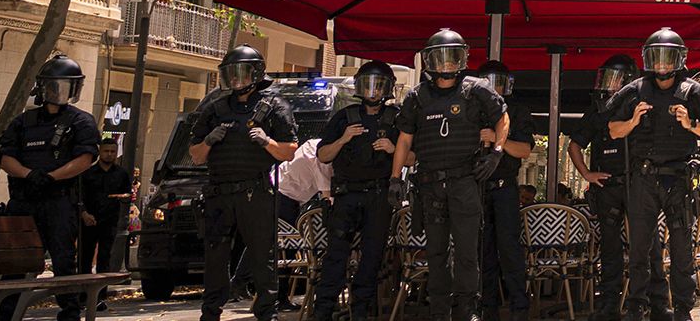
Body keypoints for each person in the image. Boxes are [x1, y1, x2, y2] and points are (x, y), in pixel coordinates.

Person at [606, 28, 700, 321]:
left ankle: (683, 308)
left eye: (666, 58)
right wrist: (633, 121)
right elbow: (612, 129)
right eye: (656, 58)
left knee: (682, 249)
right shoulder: (633, 91)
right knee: (640, 250)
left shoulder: (694, 91)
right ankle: (637, 306)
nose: (661, 65)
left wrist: (690, 123)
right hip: (643, 178)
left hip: (678, 178)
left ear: (678, 60)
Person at [393, 29, 509, 321]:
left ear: (463, 59)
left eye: (452, 57)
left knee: (468, 252)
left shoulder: (476, 89)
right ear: (429, 61)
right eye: (440, 58)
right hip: (429, 185)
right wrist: (395, 178)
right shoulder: (416, 97)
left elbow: (502, 118)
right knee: (436, 254)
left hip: (464, 182)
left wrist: (496, 152)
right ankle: (439, 312)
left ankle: (467, 310)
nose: (446, 65)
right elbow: (404, 140)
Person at [185, 46, 297, 321]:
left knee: (262, 257)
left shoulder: (274, 105)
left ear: (256, 74)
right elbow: (196, 155)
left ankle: (266, 312)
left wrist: (266, 141)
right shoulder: (215, 107)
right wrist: (210, 140)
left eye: (242, 73)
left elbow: (289, 150)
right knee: (215, 258)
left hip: (255, 192)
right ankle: (210, 312)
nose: (236, 80)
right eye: (231, 74)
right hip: (219, 193)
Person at [0, 55, 100, 321]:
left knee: (64, 262)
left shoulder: (81, 121)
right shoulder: (23, 122)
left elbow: (85, 159)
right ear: (43, 87)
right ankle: (5, 314)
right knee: (17, 263)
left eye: (66, 86)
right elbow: (6, 157)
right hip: (24, 201)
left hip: (59, 202)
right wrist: (29, 174)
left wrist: (52, 177)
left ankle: (69, 313)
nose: (60, 92)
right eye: (55, 86)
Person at [567, 54, 668, 321]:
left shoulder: (643, 107)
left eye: (614, 80)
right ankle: (609, 306)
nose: (608, 86)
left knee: (649, 247)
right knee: (610, 250)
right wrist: (587, 174)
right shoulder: (597, 111)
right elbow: (574, 144)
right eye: (606, 78)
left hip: (638, 185)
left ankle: (656, 304)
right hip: (608, 186)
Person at [315, 61, 401, 321]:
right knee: (335, 256)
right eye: (368, 85)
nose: (373, 92)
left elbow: (413, 158)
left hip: (378, 196)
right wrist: (343, 139)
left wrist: (393, 149)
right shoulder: (345, 116)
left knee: (372, 257)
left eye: (378, 86)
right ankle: (323, 311)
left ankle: (361, 311)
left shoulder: (396, 118)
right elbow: (323, 155)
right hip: (346, 195)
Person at [474, 60, 533, 321]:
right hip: (476, 189)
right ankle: (486, 309)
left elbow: (525, 150)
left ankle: (519, 308)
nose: (494, 89)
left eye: (499, 83)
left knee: (510, 250)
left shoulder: (517, 111)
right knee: (481, 251)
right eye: (488, 82)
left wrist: (497, 140)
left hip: (506, 188)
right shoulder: (471, 109)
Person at [77, 134, 133, 285]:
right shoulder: (87, 174)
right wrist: (84, 213)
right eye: (106, 151)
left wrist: (123, 197)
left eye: (112, 152)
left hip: (110, 220)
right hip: (89, 220)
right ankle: (83, 293)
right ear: (100, 152)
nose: (109, 154)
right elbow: (79, 196)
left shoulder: (121, 174)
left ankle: (100, 295)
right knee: (85, 258)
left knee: (105, 257)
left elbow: (128, 194)